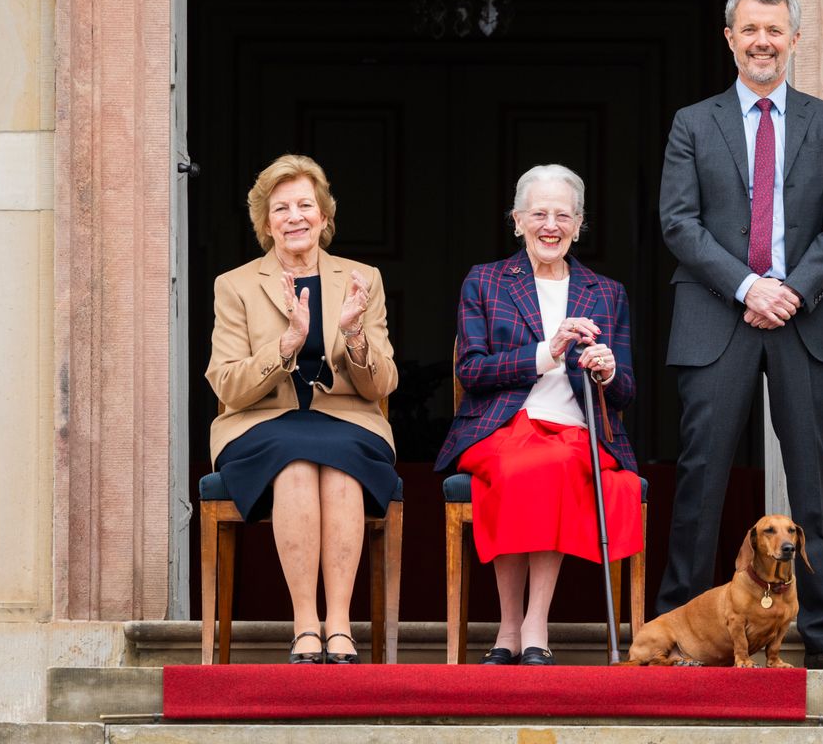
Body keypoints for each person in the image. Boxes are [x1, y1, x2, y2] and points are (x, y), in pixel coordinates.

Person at [655, 0, 823, 670]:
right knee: (701, 479)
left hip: (805, 318)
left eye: (775, 30)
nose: (762, 42)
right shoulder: (694, 122)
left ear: (795, 39)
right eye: (750, 29)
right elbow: (678, 222)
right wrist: (749, 286)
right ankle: (683, 636)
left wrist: (790, 292)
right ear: (730, 38)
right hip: (717, 314)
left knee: (812, 485)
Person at [434, 164, 643, 666]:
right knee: (518, 466)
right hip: (500, 426)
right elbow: (471, 370)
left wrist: (608, 371)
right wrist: (547, 353)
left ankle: (534, 623)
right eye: (539, 214)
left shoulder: (606, 291)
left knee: (555, 463)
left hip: (577, 431)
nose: (551, 226)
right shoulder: (485, 281)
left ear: (579, 224)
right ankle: (510, 625)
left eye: (563, 216)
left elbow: (625, 394)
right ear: (517, 221)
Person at [206, 154, 399, 665]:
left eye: (305, 205)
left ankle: (340, 625)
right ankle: (305, 624)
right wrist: (287, 344)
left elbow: (383, 383)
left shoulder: (362, 279)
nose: (295, 217)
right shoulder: (235, 285)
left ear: (324, 215)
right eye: (281, 208)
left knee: (341, 467)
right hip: (259, 423)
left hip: (348, 420)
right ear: (265, 223)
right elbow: (227, 384)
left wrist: (354, 335)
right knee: (294, 465)